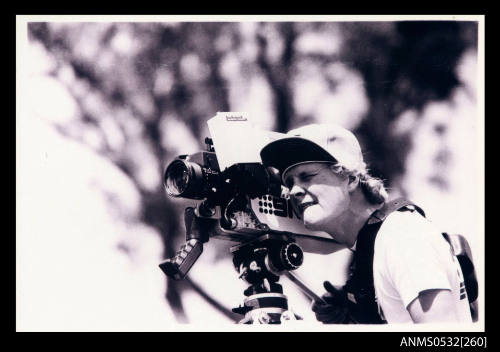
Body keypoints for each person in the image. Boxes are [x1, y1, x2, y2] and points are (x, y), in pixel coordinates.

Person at [260, 123, 473, 324]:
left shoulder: (402, 235)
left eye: (307, 176)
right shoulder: (374, 247)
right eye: (289, 183)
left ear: (351, 178)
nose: (294, 191)